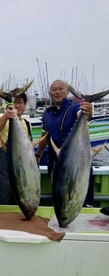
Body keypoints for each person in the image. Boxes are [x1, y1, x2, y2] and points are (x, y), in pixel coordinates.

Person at [35, 79, 94, 207]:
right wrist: (38, 155)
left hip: (76, 162)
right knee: (60, 196)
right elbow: (44, 136)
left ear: (67, 92)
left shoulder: (74, 108)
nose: (57, 92)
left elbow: (82, 114)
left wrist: (87, 113)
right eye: (54, 89)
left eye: (60, 89)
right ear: (50, 93)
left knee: (78, 193)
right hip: (55, 163)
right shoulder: (47, 113)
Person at [0, 89, 32, 205]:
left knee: (20, 191)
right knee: (3, 192)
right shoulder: (1, 116)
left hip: (21, 163)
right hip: (3, 162)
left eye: (21, 102)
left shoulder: (27, 123)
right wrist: (6, 116)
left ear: (25, 105)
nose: (18, 105)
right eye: (15, 102)